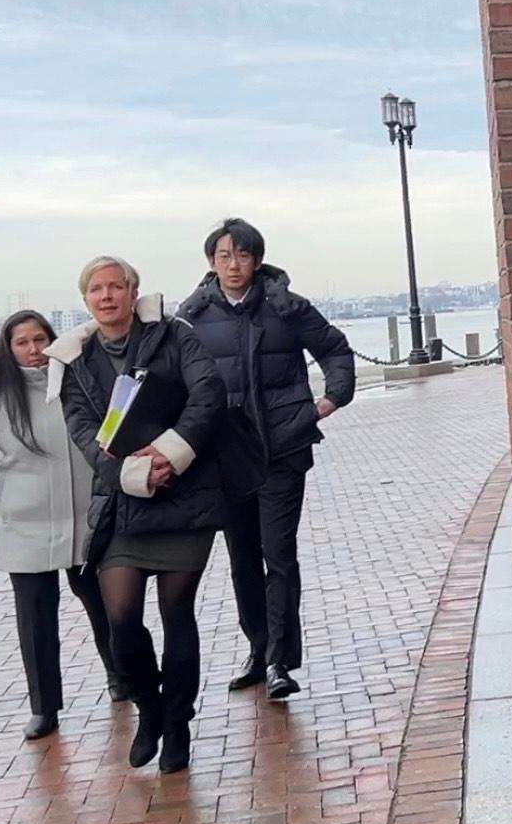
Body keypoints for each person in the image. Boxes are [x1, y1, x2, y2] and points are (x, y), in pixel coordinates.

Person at [45, 256, 227, 774]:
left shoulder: (174, 334)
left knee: (177, 615)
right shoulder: (73, 361)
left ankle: (179, 726)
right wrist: (131, 473)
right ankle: (150, 709)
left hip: (187, 497)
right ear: (86, 300)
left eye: (116, 287)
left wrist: (170, 454)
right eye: (96, 289)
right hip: (123, 503)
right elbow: (83, 430)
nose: (107, 296)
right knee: (121, 620)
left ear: (132, 292)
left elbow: (208, 394)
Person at [177, 218, 355, 700]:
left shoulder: (287, 307)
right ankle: (257, 648)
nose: (234, 265)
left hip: (282, 448)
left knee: (278, 554)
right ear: (211, 262)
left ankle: (280, 658)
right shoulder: (191, 317)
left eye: (243, 255)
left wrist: (328, 401)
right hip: (224, 455)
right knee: (241, 560)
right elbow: (171, 380)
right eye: (223, 256)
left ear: (257, 259)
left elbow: (335, 349)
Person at [0, 310, 119, 741]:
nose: (34, 349)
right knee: (36, 622)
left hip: (86, 522)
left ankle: (122, 677)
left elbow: (113, 433)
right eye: (22, 342)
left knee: (109, 610)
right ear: (8, 349)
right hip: (27, 527)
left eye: (40, 339)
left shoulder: (79, 384)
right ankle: (44, 707)